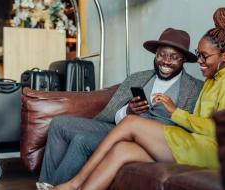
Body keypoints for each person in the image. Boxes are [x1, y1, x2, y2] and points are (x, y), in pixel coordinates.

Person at [51, 7, 225, 190]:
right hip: (196, 144)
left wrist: (175, 112)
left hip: (216, 153)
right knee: (121, 150)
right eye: (198, 54)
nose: (199, 61)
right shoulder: (213, 79)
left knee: (131, 123)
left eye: (204, 56)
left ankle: (74, 184)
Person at [37, 28, 203, 188]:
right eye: (162, 55)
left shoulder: (193, 88)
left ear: (183, 60)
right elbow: (111, 114)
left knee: (82, 140)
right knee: (59, 123)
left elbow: (189, 130)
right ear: (155, 55)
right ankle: (47, 185)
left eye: (174, 57)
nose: (166, 61)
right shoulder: (138, 78)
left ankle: (56, 186)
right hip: (117, 129)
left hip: (150, 140)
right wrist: (128, 110)